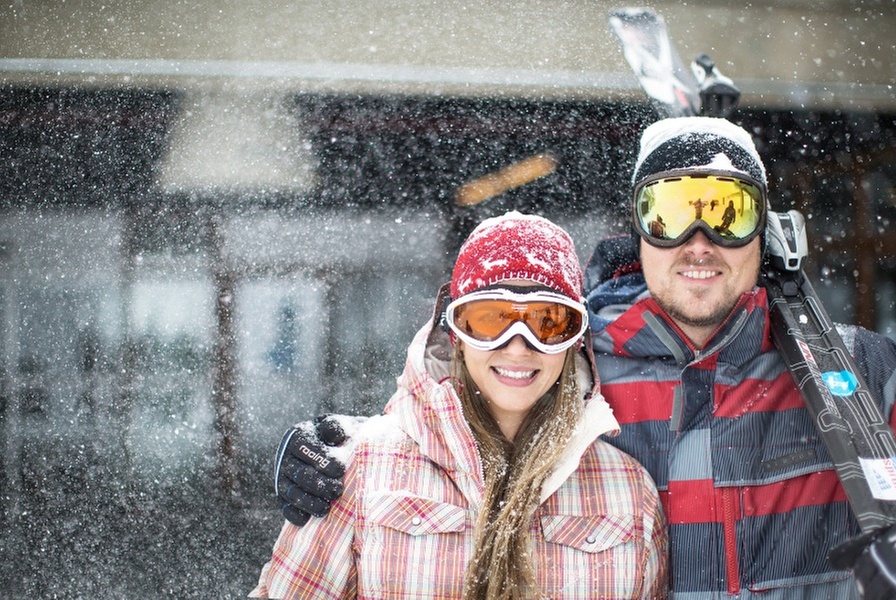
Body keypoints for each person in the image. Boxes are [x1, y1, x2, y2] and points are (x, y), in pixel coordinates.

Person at [273, 117, 896, 598]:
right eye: (670, 210)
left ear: (764, 231)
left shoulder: (856, 371)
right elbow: (459, 408)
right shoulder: (578, 363)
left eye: (728, 211)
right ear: (640, 228)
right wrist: (345, 447)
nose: (698, 240)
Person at [253, 212, 668, 599]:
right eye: (489, 319)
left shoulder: (628, 491)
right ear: (455, 334)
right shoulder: (365, 468)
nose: (519, 346)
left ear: (574, 340)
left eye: (547, 321)